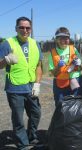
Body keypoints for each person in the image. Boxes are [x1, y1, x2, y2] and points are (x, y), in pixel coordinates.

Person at [0, 17, 43, 150]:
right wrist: (6, 60)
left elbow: (39, 66)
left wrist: (37, 84)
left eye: (27, 28)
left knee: (36, 113)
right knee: (18, 118)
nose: (25, 30)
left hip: (31, 87)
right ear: (16, 28)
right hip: (15, 87)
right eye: (21, 27)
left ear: (31, 29)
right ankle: (22, 144)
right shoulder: (7, 43)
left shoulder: (35, 44)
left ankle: (32, 137)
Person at [48, 27, 82, 106]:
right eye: (60, 38)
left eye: (66, 38)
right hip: (60, 84)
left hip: (75, 81)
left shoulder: (73, 49)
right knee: (61, 107)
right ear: (56, 39)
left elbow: (80, 68)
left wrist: (78, 64)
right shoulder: (52, 53)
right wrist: (58, 67)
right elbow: (53, 73)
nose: (63, 41)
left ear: (69, 39)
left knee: (77, 106)